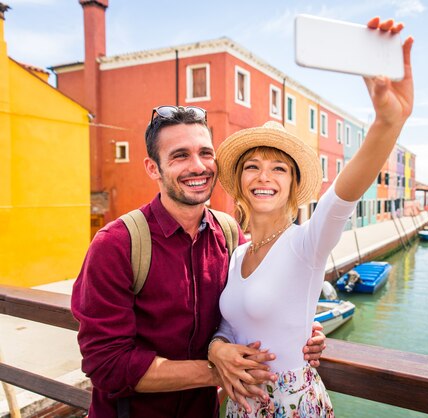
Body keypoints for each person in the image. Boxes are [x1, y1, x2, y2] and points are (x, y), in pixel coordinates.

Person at [208, 17, 413, 417]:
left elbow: (343, 195)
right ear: (240, 180)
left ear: (292, 184)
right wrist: (218, 348)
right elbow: (230, 327)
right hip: (242, 406)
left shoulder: (307, 243)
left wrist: (388, 122)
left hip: (294, 406)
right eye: (252, 166)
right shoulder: (236, 255)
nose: (264, 176)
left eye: (279, 168)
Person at [71, 105, 326, 418]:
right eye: (180, 155)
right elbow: (106, 363)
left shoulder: (229, 235)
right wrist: (217, 371)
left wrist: (295, 329)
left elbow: (243, 309)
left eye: (206, 153)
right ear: (153, 168)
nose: (198, 166)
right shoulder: (116, 244)